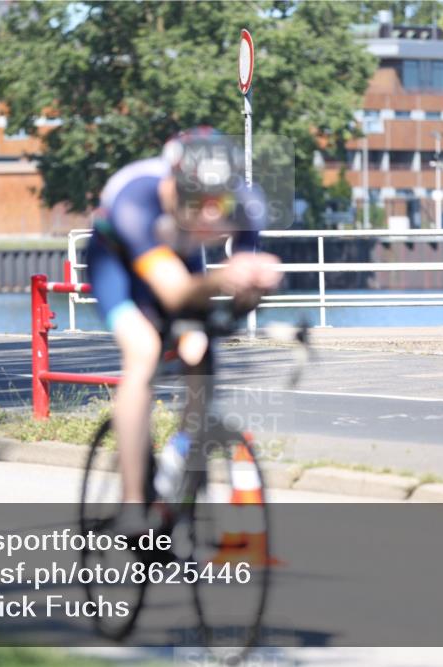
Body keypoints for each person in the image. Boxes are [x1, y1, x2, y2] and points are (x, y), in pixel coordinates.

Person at [87, 128, 281, 525]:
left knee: (198, 349)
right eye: (198, 200)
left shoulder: (247, 205)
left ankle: (181, 457)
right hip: (118, 264)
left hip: (182, 260)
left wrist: (255, 284)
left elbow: (239, 287)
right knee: (143, 350)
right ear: (174, 185)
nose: (211, 214)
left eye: (220, 201)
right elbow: (175, 294)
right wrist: (230, 278)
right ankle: (132, 503)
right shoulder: (136, 199)